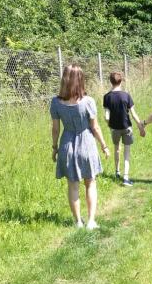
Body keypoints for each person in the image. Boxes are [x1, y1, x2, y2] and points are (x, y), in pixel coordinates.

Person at [51, 64, 110, 229]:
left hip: (67, 146)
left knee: (73, 185)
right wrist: (104, 146)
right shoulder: (88, 101)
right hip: (86, 145)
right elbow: (95, 127)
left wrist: (54, 147)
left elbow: (55, 129)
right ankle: (91, 221)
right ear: (81, 80)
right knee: (90, 183)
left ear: (64, 80)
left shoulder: (56, 103)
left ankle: (78, 221)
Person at [102, 70, 145, 187]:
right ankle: (126, 177)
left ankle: (117, 172)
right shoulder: (126, 96)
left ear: (110, 82)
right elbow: (133, 114)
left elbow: (106, 116)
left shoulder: (106, 97)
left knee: (116, 149)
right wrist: (141, 127)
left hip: (114, 129)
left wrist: (110, 125)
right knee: (126, 151)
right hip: (127, 128)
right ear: (121, 81)